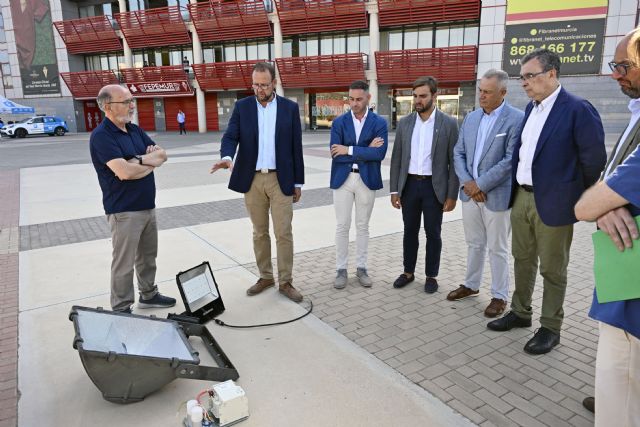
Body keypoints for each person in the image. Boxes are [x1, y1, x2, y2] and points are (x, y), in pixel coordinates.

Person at [487, 49, 607, 355]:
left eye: (530, 75)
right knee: (522, 259)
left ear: (551, 74)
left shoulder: (578, 109)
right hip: (523, 198)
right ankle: (520, 312)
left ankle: (551, 327)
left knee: (553, 269)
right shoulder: (531, 109)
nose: (524, 83)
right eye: (522, 77)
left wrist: (572, 196)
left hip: (554, 204)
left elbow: (593, 161)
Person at [575, 30, 640, 422]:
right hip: (623, 277)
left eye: (625, 66)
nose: (617, 75)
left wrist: (599, 203)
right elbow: (609, 184)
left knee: (621, 390)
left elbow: (587, 204)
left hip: (632, 296)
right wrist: (605, 203)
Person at [210, 62, 304, 302]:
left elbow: (296, 147)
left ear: (274, 83)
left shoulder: (289, 109)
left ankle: (286, 281)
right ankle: (265, 276)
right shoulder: (243, 107)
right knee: (259, 232)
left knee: (284, 232)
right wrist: (226, 157)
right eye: (255, 84)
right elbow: (231, 135)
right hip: (252, 180)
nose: (259, 89)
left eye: (264, 84)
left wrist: (298, 183)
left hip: (280, 178)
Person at [89, 84, 175, 313]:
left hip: (147, 205)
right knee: (124, 264)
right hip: (123, 210)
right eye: (126, 101)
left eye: (131, 100)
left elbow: (162, 155)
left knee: (148, 257)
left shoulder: (134, 130)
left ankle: (148, 295)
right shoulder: (101, 137)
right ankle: (121, 307)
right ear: (108, 106)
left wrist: (136, 161)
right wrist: (148, 161)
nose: (132, 105)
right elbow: (124, 172)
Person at [450, 69, 524, 317]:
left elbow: (510, 160)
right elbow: (458, 152)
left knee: (498, 248)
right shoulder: (471, 118)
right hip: (470, 194)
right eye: (480, 90)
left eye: (487, 92)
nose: (481, 95)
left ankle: (499, 296)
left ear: (502, 93)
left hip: (497, 196)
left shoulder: (516, 119)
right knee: (474, 244)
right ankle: (471, 285)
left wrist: (480, 184)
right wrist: (469, 183)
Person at [389, 76, 459, 293]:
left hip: (433, 187)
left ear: (434, 96)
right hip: (409, 185)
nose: (418, 100)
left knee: (433, 233)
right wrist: (394, 189)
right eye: (415, 96)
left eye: (423, 96)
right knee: (409, 231)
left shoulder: (448, 124)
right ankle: (408, 272)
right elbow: (397, 158)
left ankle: (431, 275)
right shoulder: (405, 123)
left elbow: (454, 162)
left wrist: (452, 194)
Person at [329, 80, 388, 289]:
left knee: (363, 226)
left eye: (359, 99)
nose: (354, 103)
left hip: (366, 179)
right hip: (343, 179)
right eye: (351, 99)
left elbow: (379, 154)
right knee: (342, 226)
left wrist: (350, 150)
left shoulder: (379, 122)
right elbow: (336, 155)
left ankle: (361, 268)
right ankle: (341, 269)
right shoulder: (339, 122)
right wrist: (365, 149)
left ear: (368, 98)